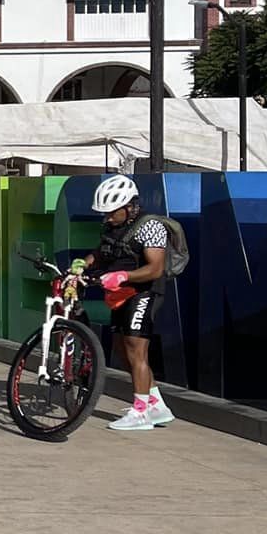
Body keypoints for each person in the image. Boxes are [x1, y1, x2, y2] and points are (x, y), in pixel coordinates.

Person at [79, 174, 182, 432]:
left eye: (111, 212)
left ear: (128, 207)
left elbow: (155, 269)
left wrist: (124, 276)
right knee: (120, 348)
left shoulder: (150, 227)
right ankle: (156, 405)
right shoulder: (112, 227)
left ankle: (140, 413)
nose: (107, 218)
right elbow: (102, 253)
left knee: (136, 348)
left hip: (144, 292)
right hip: (120, 294)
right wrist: (84, 263)